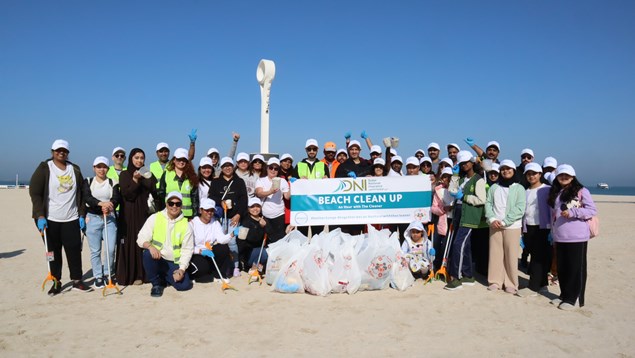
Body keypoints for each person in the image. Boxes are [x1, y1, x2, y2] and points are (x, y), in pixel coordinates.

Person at [29, 139, 92, 295]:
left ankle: (77, 280)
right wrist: (40, 215)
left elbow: (82, 194)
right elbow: (35, 192)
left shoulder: (74, 169)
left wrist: (82, 215)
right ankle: (56, 282)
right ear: (52, 152)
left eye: (64, 150)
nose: (61, 152)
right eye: (58, 150)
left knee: (74, 251)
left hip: (71, 219)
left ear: (68, 152)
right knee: (53, 253)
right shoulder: (45, 168)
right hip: (50, 220)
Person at [548, 164, 596, 310]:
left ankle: (572, 298)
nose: (564, 177)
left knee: (575, 269)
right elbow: (553, 214)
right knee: (562, 268)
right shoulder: (556, 192)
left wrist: (573, 213)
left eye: (567, 175)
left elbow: (591, 210)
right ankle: (563, 295)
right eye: (561, 175)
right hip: (560, 236)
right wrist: (552, 232)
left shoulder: (582, 191)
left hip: (577, 236)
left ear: (573, 177)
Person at [137, 191, 194, 297]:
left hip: (173, 263)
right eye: (171, 203)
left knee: (184, 286)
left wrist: (181, 269)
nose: (174, 206)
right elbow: (140, 238)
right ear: (166, 204)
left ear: (181, 205)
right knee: (147, 254)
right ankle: (156, 284)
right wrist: (150, 246)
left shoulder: (186, 225)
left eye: (178, 204)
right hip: (158, 259)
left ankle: (165, 278)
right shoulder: (155, 218)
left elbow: (187, 250)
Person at [444, 150, 487, 290]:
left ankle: (456, 277)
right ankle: (468, 275)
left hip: (469, 217)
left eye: (466, 163)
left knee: (458, 245)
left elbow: (481, 200)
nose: (464, 166)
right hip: (458, 214)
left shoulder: (479, 180)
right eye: (461, 164)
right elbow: (452, 191)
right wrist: (455, 176)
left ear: (472, 162)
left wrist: (465, 197)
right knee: (465, 246)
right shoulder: (462, 179)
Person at [484, 160, 526, 294]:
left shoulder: (519, 188)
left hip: (512, 226)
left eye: (508, 169)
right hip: (494, 225)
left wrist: (505, 222)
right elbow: (488, 203)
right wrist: (492, 219)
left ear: (513, 171)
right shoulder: (494, 187)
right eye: (503, 169)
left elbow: (520, 207)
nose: (505, 171)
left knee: (511, 255)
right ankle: (495, 281)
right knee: (495, 254)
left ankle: (511, 283)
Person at [117, 148, 157, 286]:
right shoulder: (124, 174)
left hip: (144, 213)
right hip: (128, 214)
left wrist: (146, 176)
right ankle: (130, 275)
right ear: (131, 159)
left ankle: (143, 274)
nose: (139, 160)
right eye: (136, 158)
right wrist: (134, 179)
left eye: (142, 158)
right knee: (130, 242)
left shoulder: (147, 173)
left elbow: (154, 189)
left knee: (144, 239)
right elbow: (128, 195)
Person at [81, 156, 121, 288]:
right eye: (98, 167)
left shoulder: (112, 181)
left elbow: (116, 198)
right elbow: (87, 197)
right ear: (94, 168)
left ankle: (108, 273)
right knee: (95, 250)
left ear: (108, 169)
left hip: (109, 219)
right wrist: (100, 204)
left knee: (110, 249)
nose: (101, 169)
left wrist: (109, 205)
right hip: (92, 218)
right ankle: (98, 276)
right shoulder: (88, 181)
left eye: (104, 167)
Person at [516, 163, 552, 298]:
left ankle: (533, 287)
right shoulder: (524, 191)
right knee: (534, 255)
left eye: (534, 173)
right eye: (529, 174)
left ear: (540, 174)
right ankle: (542, 285)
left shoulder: (547, 189)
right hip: (528, 227)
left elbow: (552, 210)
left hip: (543, 228)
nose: (532, 176)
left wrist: (551, 230)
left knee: (539, 258)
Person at [209, 157, 248, 277]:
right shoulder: (216, 182)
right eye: (224, 166)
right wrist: (220, 202)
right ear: (221, 168)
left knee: (232, 242)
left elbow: (244, 199)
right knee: (219, 242)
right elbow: (211, 196)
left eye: (229, 165)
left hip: (233, 218)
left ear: (233, 166)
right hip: (219, 217)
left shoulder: (239, 181)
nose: (227, 168)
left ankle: (235, 266)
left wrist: (239, 214)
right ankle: (222, 266)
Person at [187, 198, 233, 282]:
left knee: (223, 248)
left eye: (212, 210)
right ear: (200, 210)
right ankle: (204, 277)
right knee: (201, 269)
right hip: (197, 253)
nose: (209, 212)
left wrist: (232, 234)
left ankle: (218, 275)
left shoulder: (215, 223)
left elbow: (221, 239)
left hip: (210, 251)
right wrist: (200, 251)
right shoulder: (192, 224)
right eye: (206, 210)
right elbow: (187, 246)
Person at [256, 158, 291, 243]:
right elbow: (258, 193)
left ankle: (278, 256)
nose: (273, 170)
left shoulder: (282, 181)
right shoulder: (261, 180)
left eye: (276, 168)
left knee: (279, 240)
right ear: (267, 168)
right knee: (267, 240)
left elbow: (287, 197)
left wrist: (292, 187)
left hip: (279, 215)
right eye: (271, 167)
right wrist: (270, 191)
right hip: (265, 216)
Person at [157, 148, 199, 219]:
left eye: (184, 160)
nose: (181, 162)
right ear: (174, 160)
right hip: (169, 215)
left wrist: (194, 217)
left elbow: (195, 199)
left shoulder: (191, 176)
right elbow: (161, 195)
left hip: (187, 216)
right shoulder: (166, 175)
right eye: (179, 159)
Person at [237, 197, 272, 272]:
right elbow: (252, 239)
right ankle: (251, 266)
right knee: (265, 252)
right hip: (248, 253)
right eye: (252, 206)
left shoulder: (263, 219)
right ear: (248, 209)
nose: (255, 209)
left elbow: (270, 234)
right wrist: (261, 227)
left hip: (260, 250)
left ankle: (259, 267)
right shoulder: (245, 221)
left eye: (258, 206)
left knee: (270, 250)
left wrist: (265, 226)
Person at [430, 167, 453, 271]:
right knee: (438, 245)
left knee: (450, 245)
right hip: (442, 221)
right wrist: (443, 209)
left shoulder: (456, 190)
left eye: (449, 176)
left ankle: (448, 268)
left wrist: (452, 208)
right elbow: (433, 208)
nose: (446, 179)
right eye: (444, 176)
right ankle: (437, 267)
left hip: (453, 220)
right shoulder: (438, 191)